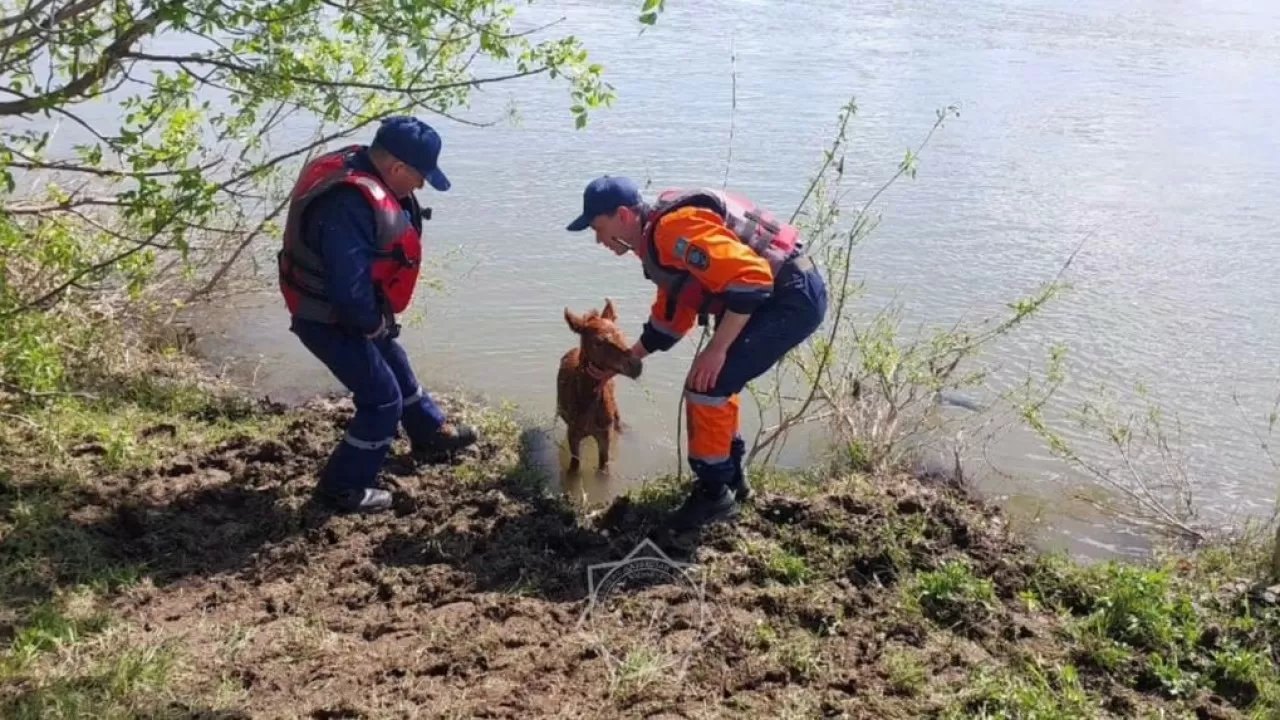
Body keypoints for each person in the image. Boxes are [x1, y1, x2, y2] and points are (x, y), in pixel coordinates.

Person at [565, 176, 828, 531]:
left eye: (599, 228)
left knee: (707, 385)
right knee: (715, 385)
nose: (598, 241)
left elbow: (751, 281)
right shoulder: (658, 238)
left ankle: (713, 495)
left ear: (624, 215)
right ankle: (731, 481)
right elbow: (672, 319)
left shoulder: (670, 230)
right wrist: (628, 358)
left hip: (788, 298)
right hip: (772, 296)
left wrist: (717, 349)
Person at [278, 116, 479, 514]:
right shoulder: (349, 204)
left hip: (352, 306)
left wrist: (376, 325)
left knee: (395, 364)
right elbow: (347, 290)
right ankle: (341, 489)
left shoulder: (367, 172)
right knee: (381, 399)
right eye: (420, 177)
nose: (420, 187)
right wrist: (371, 324)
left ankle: (428, 432)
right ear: (396, 168)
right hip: (326, 315)